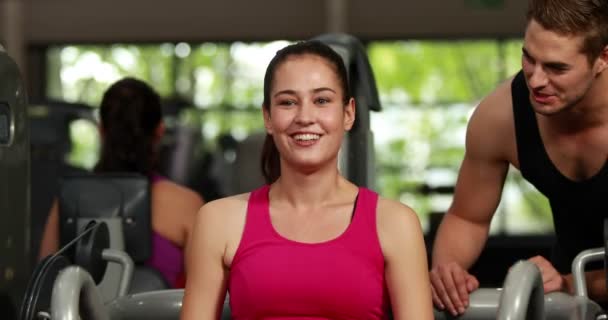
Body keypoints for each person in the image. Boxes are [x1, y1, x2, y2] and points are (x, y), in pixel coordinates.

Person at [181, 41, 432, 319]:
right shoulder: (219, 220)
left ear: (348, 113)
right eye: (288, 102)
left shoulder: (395, 223)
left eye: (322, 100)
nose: (305, 117)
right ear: (268, 117)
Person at [430, 0, 608, 315]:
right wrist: (448, 270)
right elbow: (467, 217)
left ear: (603, 58)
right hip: (574, 293)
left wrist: (570, 282)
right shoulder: (502, 117)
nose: (536, 80)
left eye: (556, 67)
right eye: (529, 58)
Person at [39, 77, 205, 288]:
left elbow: (45, 287)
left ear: (101, 130)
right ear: (160, 131)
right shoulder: (186, 204)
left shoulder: (70, 198)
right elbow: (203, 297)